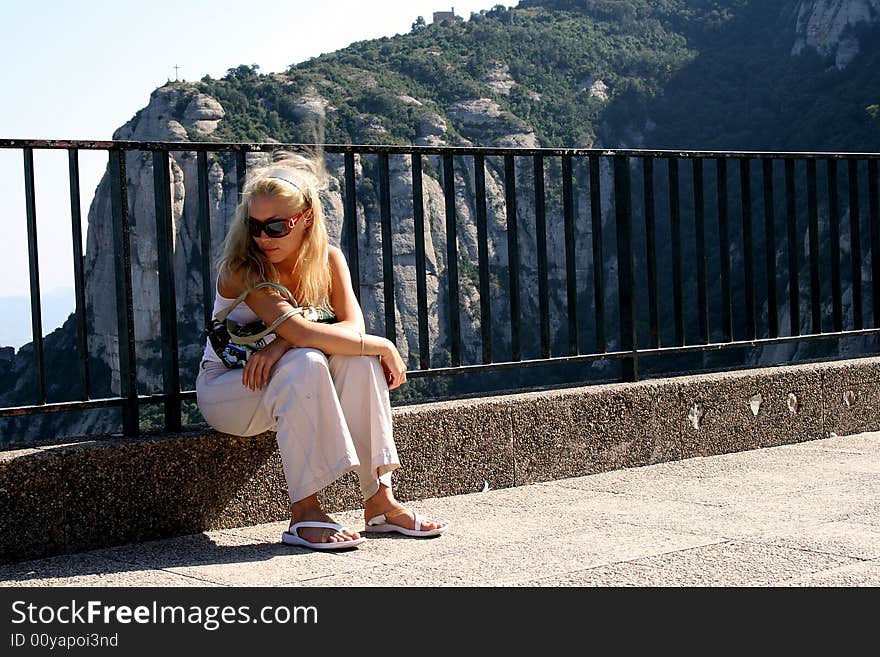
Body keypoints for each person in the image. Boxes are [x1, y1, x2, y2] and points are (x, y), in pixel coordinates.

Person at [195, 150, 446, 550]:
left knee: (355, 358)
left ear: (306, 218)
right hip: (231, 389)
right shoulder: (243, 267)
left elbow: (350, 329)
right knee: (309, 357)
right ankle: (304, 512)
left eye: (277, 226)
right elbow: (298, 329)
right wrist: (382, 344)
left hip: (284, 378)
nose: (263, 237)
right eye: (255, 225)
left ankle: (380, 500)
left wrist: (279, 345)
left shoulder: (328, 259)